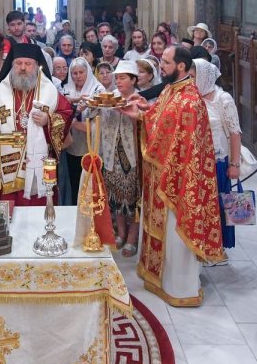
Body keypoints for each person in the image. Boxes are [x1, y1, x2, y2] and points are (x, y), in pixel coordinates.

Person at [120, 46, 226, 305]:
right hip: (160, 174)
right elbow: (159, 122)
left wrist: (145, 119)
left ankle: (180, 287)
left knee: (174, 236)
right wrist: (142, 114)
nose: (162, 66)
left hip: (178, 179)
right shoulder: (170, 90)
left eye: (166, 62)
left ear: (181, 66)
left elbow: (183, 146)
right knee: (160, 230)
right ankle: (159, 279)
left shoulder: (190, 101)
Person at [0, 43, 73, 207]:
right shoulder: (1, 91)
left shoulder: (50, 91)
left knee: (38, 209)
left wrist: (49, 120)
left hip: (39, 161)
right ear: (12, 65)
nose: (23, 68)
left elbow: (66, 114)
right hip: (7, 163)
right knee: (9, 208)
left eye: (28, 64)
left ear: (36, 66)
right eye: (18, 63)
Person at [194, 59, 241, 256]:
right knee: (201, 207)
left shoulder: (223, 99)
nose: (191, 79)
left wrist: (234, 164)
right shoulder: (194, 98)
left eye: (194, 75)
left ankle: (218, 248)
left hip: (218, 161)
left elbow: (235, 132)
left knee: (218, 206)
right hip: (197, 161)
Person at [103, 61, 141, 256]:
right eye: (116, 77)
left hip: (132, 157)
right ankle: (121, 233)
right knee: (115, 195)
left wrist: (132, 113)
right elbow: (99, 121)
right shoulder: (109, 98)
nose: (118, 81)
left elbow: (145, 126)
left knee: (133, 198)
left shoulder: (139, 100)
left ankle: (133, 237)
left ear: (134, 80)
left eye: (123, 77)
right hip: (111, 156)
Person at [62, 56, 104, 206]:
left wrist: (72, 123)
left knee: (90, 187)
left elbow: (97, 124)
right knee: (74, 186)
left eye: (81, 72)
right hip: (71, 147)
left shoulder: (97, 89)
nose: (78, 76)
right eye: (74, 73)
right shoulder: (66, 89)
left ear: (88, 72)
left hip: (91, 147)